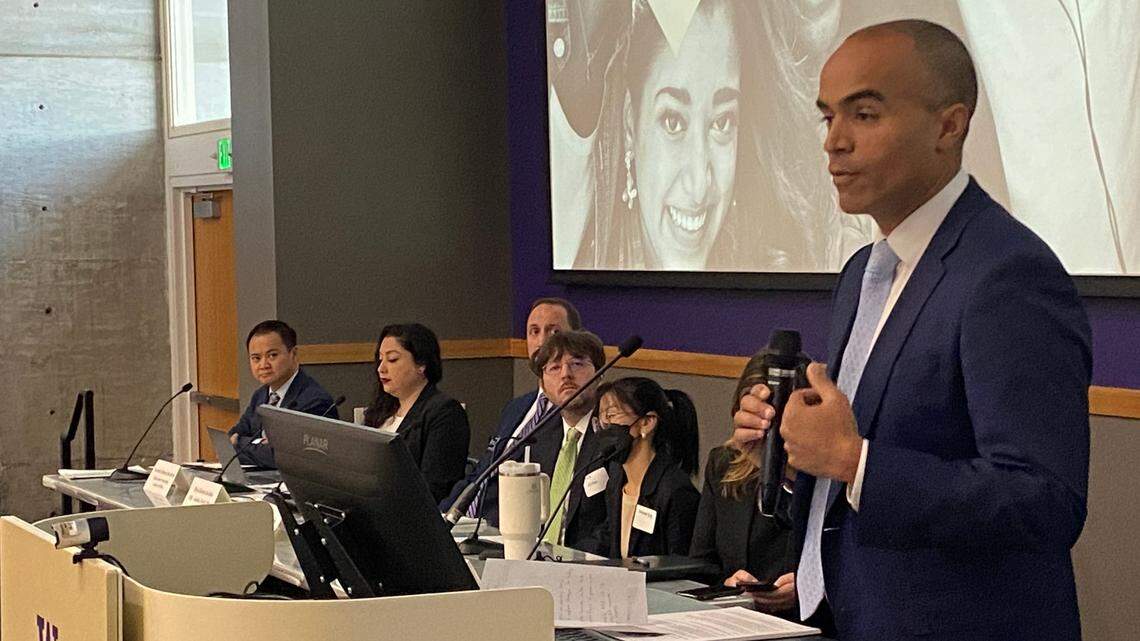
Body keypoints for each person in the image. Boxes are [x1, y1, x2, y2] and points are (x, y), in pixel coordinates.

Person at [733, 20, 1091, 641]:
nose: (834, 143)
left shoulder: (1008, 275)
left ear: (949, 126)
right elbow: (875, 460)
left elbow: (1043, 501)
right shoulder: (862, 273)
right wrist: (796, 455)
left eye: (864, 115)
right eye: (828, 118)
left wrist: (853, 460)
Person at [552, 0, 812, 271]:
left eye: (722, 122)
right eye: (673, 122)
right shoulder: (571, 251)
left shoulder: (776, 273)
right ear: (630, 124)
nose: (699, 186)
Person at [439, 297, 582, 523]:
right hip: (466, 524)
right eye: (534, 332)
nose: (542, 341)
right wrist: (442, 515)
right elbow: (482, 473)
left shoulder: (573, 416)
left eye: (553, 332)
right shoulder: (517, 407)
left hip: (508, 530)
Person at [689, 351, 797, 615]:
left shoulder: (824, 474)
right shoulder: (722, 463)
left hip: (805, 621)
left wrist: (809, 588)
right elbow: (701, 564)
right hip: (733, 615)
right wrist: (727, 586)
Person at [582, 377, 700, 559]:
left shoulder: (676, 490)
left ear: (646, 422)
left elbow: (681, 564)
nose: (605, 428)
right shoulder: (616, 481)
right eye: (601, 420)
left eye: (611, 416)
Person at [363, 323, 469, 503]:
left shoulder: (445, 413)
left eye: (392, 359)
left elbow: (433, 489)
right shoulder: (380, 410)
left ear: (421, 365)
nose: (381, 368)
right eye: (380, 359)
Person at [528, 329, 609, 548]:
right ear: (543, 386)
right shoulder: (539, 438)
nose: (565, 374)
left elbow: (612, 528)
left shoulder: (611, 439)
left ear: (600, 374)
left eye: (577, 364)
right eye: (554, 367)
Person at [228, 320, 336, 468]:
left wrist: (241, 443)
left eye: (272, 355)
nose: (263, 365)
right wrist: (260, 445)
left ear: (294, 354)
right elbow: (231, 439)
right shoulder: (260, 395)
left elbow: (284, 457)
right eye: (256, 358)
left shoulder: (314, 400)